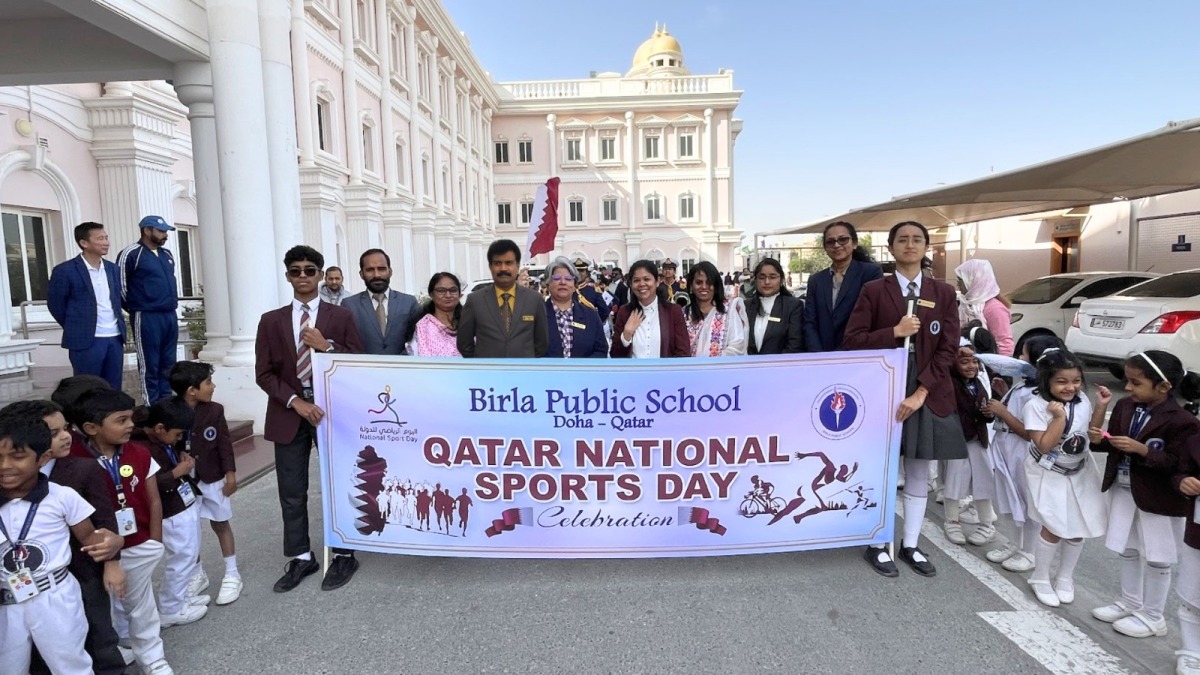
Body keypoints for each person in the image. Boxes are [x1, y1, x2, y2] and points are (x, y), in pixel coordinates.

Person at [844, 220, 966, 578]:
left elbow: (948, 348)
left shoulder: (942, 293)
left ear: (926, 247)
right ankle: (880, 543)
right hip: (883, 388)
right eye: (902, 239)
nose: (910, 245)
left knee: (917, 469)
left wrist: (921, 391)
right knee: (882, 468)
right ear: (891, 247)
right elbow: (853, 340)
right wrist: (893, 332)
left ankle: (910, 543)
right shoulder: (873, 290)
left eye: (917, 239)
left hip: (925, 390)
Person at [254, 245, 364, 592]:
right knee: (291, 488)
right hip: (290, 412)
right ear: (288, 275)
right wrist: (294, 402)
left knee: (340, 482)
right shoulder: (271, 320)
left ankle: (344, 551)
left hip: (333, 411)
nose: (303, 276)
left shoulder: (340, 316)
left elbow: (358, 361)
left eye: (310, 270)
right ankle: (301, 556)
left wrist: (326, 346)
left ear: (320, 275)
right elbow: (264, 373)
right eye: (296, 270)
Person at [4, 400, 126, 675]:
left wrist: (114, 549)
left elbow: (98, 529)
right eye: (54, 431)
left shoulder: (71, 482)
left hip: (65, 586)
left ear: (40, 457)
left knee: (85, 651)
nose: (65, 436)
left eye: (66, 428)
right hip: (10, 597)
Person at [1089, 351, 1200, 638]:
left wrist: (1143, 450)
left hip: (1159, 499)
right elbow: (1106, 443)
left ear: (1163, 386)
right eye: (1127, 381)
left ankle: (1154, 615)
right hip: (1125, 490)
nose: (1127, 388)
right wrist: (1101, 420)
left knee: (1157, 555)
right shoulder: (1125, 406)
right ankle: (1130, 601)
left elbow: (1179, 464)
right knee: (1128, 548)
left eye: (1136, 383)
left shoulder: (1182, 420)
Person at [67, 387, 173, 675]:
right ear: (91, 428)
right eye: (121, 420)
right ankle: (116, 648)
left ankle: (152, 658)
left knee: (141, 605)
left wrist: (155, 540)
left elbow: (153, 499)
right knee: (103, 609)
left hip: (138, 544)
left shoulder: (138, 453)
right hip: (96, 551)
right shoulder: (73, 461)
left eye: (131, 419)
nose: (130, 426)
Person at [1021, 349, 1108, 607]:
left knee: (1079, 525)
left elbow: (1092, 431)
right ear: (1046, 380)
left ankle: (1065, 577)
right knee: (1054, 525)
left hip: (1079, 470)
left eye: (1076, 380)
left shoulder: (1081, 400)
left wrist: (1102, 407)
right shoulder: (1035, 405)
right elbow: (1045, 444)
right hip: (1048, 472)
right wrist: (1058, 417)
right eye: (1062, 381)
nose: (1071, 387)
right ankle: (1039, 577)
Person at [984, 336, 1063, 573]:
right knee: (1010, 497)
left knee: (1028, 502)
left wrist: (1003, 412)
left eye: (1025, 355)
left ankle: (1029, 552)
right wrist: (1005, 392)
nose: (1020, 359)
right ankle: (1015, 543)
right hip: (1007, 447)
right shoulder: (1024, 384)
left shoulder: (1040, 394)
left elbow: (1030, 433)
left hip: (1022, 451)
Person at [168, 361, 242, 606]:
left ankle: (232, 573)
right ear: (191, 390)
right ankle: (196, 573)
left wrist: (230, 474)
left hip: (213, 477)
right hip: (185, 481)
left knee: (221, 522)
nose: (213, 386)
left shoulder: (214, 410)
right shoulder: (169, 411)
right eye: (208, 382)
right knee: (189, 531)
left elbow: (224, 443)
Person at [134, 399, 208, 627]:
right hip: (170, 511)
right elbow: (151, 483)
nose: (178, 440)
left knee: (189, 554)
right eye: (176, 435)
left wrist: (179, 458)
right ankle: (171, 608)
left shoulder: (161, 442)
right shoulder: (143, 448)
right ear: (159, 428)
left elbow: (170, 453)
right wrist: (178, 471)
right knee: (181, 557)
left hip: (182, 503)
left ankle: (181, 595)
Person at [47, 222, 127, 392]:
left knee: (113, 389)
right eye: (100, 238)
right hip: (86, 341)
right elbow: (56, 305)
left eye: (106, 238)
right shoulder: (65, 270)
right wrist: (76, 326)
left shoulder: (113, 269)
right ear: (84, 243)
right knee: (87, 389)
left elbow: (116, 299)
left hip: (114, 337)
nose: (106, 242)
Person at [117, 215, 179, 405]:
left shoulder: (166, 254)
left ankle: (166, 401)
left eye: (165, 231)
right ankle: (151, 404)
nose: (164, 235)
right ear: (147, 230)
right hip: (146, 315)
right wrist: (138, 306)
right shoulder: (131, 253)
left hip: (169, 313)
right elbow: (121, 286)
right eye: (160, 231)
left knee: (168, 361)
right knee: (149, 363)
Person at [942, 341, 998, 546]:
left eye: (975, 361)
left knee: (984, 480)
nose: (971, 366)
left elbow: (985, 410)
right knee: (954, 480)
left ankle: (986, 524)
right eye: (964, 362)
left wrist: (988, 414)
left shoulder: (979, 383)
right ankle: (952, 522)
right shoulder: (950, 383)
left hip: (978, 439)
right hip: (958, 440)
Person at [458, 239, 548, 358]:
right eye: (497, 263)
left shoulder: (534, 299)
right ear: (490, 266)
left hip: (524, 373)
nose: (503, 268)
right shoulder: (475, 301)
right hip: (488, 374)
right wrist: (482, 364)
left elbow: (541, 343)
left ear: (517, 266)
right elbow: (464, 344)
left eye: (509, 263)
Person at [804, 221, 884, 352]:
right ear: (825, 248)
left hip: (857, 352)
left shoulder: (871, 273)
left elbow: (874, 316)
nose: (837, 245)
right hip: (822, 355)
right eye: (830, 242)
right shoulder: (816, 280)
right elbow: (809, 322)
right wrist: (818, 354)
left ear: (854, 243)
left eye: (843, 239)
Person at [344, 249, 421, 355]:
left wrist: (398, 364)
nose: (377, 275)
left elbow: (417, 339)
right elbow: (347, 343)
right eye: (370, 270)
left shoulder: (409, 303)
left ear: (390, 271)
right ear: (362, 274)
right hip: (364, 368)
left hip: (402, 368)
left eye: (381, 269)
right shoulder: (349, 305)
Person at [610, 260, 689, 358]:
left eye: (647, 279)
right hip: (633, 372)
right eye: (636, 280)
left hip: (665, 372)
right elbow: (615, 355)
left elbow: (683, 352)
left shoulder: (673, 311)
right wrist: (626, 335)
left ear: (657, 282)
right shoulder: (625, 312)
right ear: (630, 284)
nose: (642, 284)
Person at [1174, 405, 1200, 674]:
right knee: (1193, 593)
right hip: (1198, 530)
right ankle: (1192, 650)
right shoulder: (1195, 442)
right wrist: (1183, 482)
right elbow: (1181, 471)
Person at [543, 257, 608, 358]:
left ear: (574, 285)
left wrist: (582, 370)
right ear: (547, 284)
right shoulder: (537, 314)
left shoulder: (590, 315)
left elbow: (601, 350)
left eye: (568, 279)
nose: (563, 282)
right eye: (556, 278)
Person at [684, 261, 747, 357]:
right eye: (699, 282)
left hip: (721, 369)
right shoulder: (684, 314)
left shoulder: (729, 310)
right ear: (691, 286)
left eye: (709, 283)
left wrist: (713, 362)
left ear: (716, 286)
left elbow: (737, 345)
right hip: (691, 370)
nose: (704, 287)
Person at [744, 258, 804, 354]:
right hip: (749, 366)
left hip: (780, 366)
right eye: (762, 277)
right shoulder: (745, 306)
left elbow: (795, 344)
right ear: (755, 280)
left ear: (781, 280)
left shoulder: (793, 306)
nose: (767, 282)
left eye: (772, 277)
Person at [956, 258, 1014, 356]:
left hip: (987, 365)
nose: (957, 284)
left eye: (961, 280)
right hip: (968, 364)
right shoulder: (965, 304)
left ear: (975, 281)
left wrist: (996, 369)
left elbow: (1005, 345)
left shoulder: (994, 308)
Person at [410, 273, 463, 357]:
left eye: (453, 290)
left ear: (460, 294)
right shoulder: (424, 326)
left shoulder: (470, 322)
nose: (448, 295)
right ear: (431, 294)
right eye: (441, 291)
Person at [572, 258, 611, 324]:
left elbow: (605, 311)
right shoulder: (567, 289)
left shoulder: (593, 290)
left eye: (581, 271)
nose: (578, 273)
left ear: (587, 273)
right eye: (576, 271)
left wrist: (593, 324)